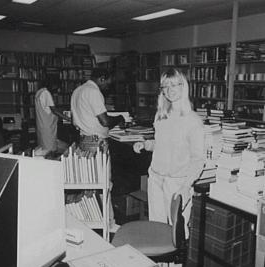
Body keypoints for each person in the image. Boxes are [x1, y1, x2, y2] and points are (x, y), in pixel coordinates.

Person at [133, 68, 205, 238]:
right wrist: (145, 144)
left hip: (177, 183)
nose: (169, 89)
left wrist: (186, 186)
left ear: (183, 86)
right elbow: (162, 144)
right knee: (156, 230)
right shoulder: (161, 116)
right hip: (156, 179)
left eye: (174, 84)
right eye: (165, 86)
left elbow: (198, 159)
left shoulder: (193, 120)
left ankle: (174, 266)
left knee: (176, 234)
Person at [71, 67, 125, 230]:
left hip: (84, 142)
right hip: (97, 143)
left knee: (89, 184)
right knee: (104, 184)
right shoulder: (94, 92)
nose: (108, 87)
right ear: (102, 78)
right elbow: (105, 121)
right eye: (107, 83)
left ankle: (90, 221)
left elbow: (74, 121)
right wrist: (120, 118)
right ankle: (109, 224)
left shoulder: (77, 91)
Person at [35, 79, 69, 153]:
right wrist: (68, 118)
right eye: (56, 88)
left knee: (43, 148)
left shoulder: (39, 92)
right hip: (47, 127)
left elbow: (47, 109)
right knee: (49, 150)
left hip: (42, 125)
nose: (57, 90)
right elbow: (54, 110)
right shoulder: (46, 93)